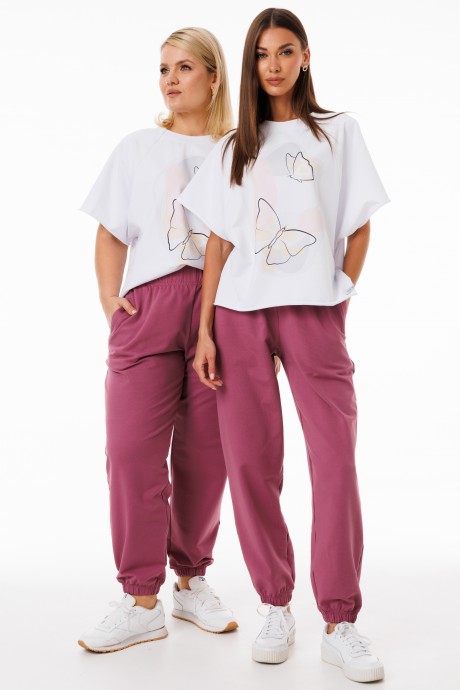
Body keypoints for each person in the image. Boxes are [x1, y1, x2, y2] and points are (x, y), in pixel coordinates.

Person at [178, 8, 389, 683]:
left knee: (336, 461)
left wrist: (341, 290)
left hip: (314, 311)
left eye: (286, 51)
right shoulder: (233, 146)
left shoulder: (338, 132)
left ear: (305, 56)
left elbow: (359, 223)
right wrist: (205, 329)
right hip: (238, 314)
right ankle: (275, 605)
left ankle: (340, 620)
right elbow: (219, 242)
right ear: (251, 64)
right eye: (263, 54)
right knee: (251, 464)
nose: (273, 65)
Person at [78, 27, 237, 654]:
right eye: (164, 68)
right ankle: (140, 599)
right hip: (147, 304)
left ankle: (191, 581)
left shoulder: (238, 151)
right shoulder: (139, 147)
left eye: (185, 66)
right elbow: (110, 230)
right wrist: (108, 299)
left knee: (206, 455)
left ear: (214, 76)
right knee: (130, 452)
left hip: (219, 310)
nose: (170, 79)